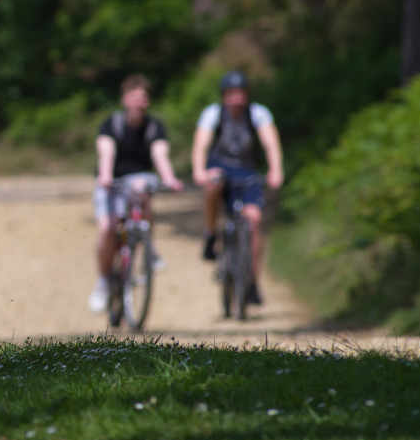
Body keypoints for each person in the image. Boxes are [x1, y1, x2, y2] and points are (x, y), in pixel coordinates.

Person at [89, 73, 183, 313]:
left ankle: (147, 243)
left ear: (148, 101)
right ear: (123, 100)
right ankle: (103, 281)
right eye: (133, 97)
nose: (138, 103)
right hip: (112, 181)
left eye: (142, 98)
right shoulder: (112, 124)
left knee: (143, 187)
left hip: (139, 179)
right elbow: (106, 153)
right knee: (107, 229)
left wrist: (170, 179)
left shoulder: (154, 127)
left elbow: (160, 156)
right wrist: (106, 176)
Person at [191, 70, 284, 306]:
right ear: (224, 96)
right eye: (231, 94)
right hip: (219, 169)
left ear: (247, 95)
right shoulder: (213, 114)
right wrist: (200, 170)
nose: (237, 99)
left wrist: (275, 170)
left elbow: (271, 144)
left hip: (246, 171)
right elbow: (201, 144)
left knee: (253, 219)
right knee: (213, 187)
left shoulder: (258, 114)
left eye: (241, 94)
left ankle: (252, 280)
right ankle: (211, 234)